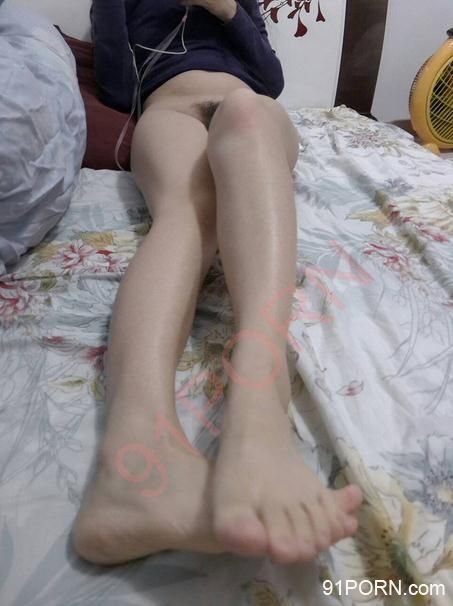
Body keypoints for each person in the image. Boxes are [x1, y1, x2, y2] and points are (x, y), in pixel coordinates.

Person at [73, 0, 363, 566]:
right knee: (188, 215)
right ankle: (133, 463)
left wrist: (228, 11)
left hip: (245, 105)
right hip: (169, 110)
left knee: (248, 111)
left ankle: (258, 401)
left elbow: (270, 80)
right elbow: (117, 87)